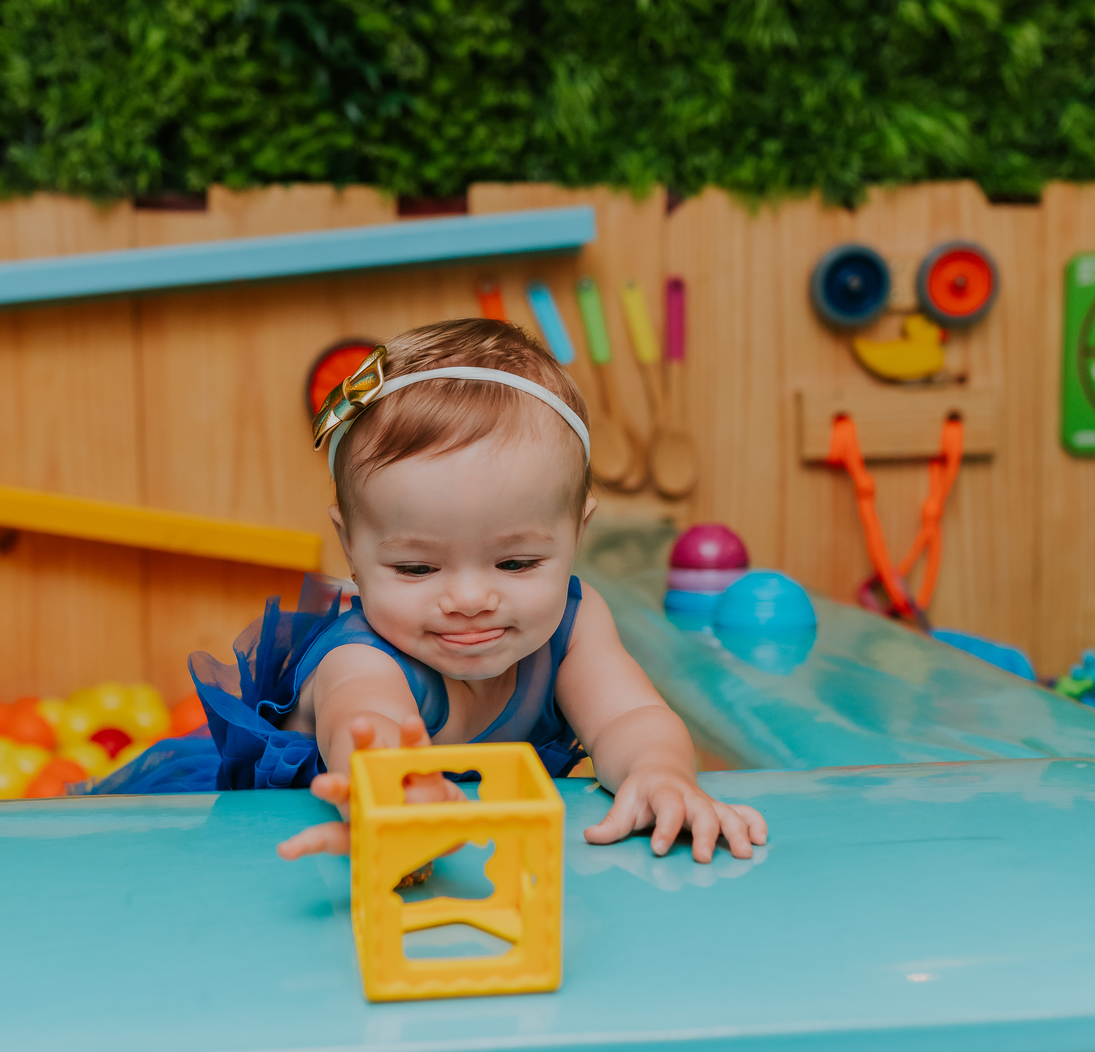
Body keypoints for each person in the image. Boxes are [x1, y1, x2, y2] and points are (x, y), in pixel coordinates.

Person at [93, 318, 767, 868]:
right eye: (417, 569)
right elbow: (369, 730)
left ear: (577, 533)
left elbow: (628, 719)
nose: (470, 597)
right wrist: (397, 792)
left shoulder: (575, 619)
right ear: (351, 548)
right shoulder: (360, 659)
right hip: (273, 850)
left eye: (517, 562)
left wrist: (659, 772)